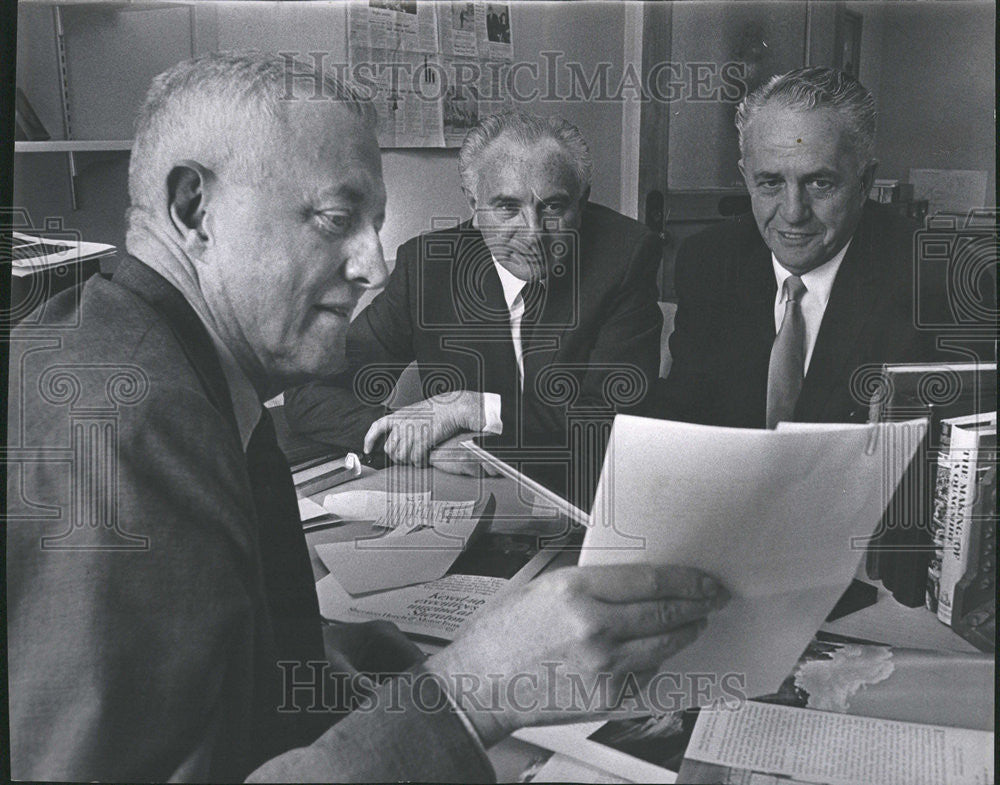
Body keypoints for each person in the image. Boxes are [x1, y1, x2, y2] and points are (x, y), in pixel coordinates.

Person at [7, 52, 723, 782]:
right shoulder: (125, 429)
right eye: (335, 219)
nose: (374, 267)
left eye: (374, 225)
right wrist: (472, 691)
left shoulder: (142, 364)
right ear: (195, 210)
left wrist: (303, 649)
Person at [285, 111, 662, 493]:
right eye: (507, 207)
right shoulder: (427, 267)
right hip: (466, 493)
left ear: (582, 203)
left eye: (553, 207)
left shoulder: (624, 255)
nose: (532, 234)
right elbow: (310, 392)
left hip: (589, 491)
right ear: (474, 205)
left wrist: (470, 407)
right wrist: (418, 441)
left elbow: (614, 419)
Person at [654, 66, 958, 428]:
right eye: (769, 183)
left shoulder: (940, 278)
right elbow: (685, 415)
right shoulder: (709, 261)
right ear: (745, 176)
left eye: (819, 183)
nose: (793, 213)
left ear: (865, 183)